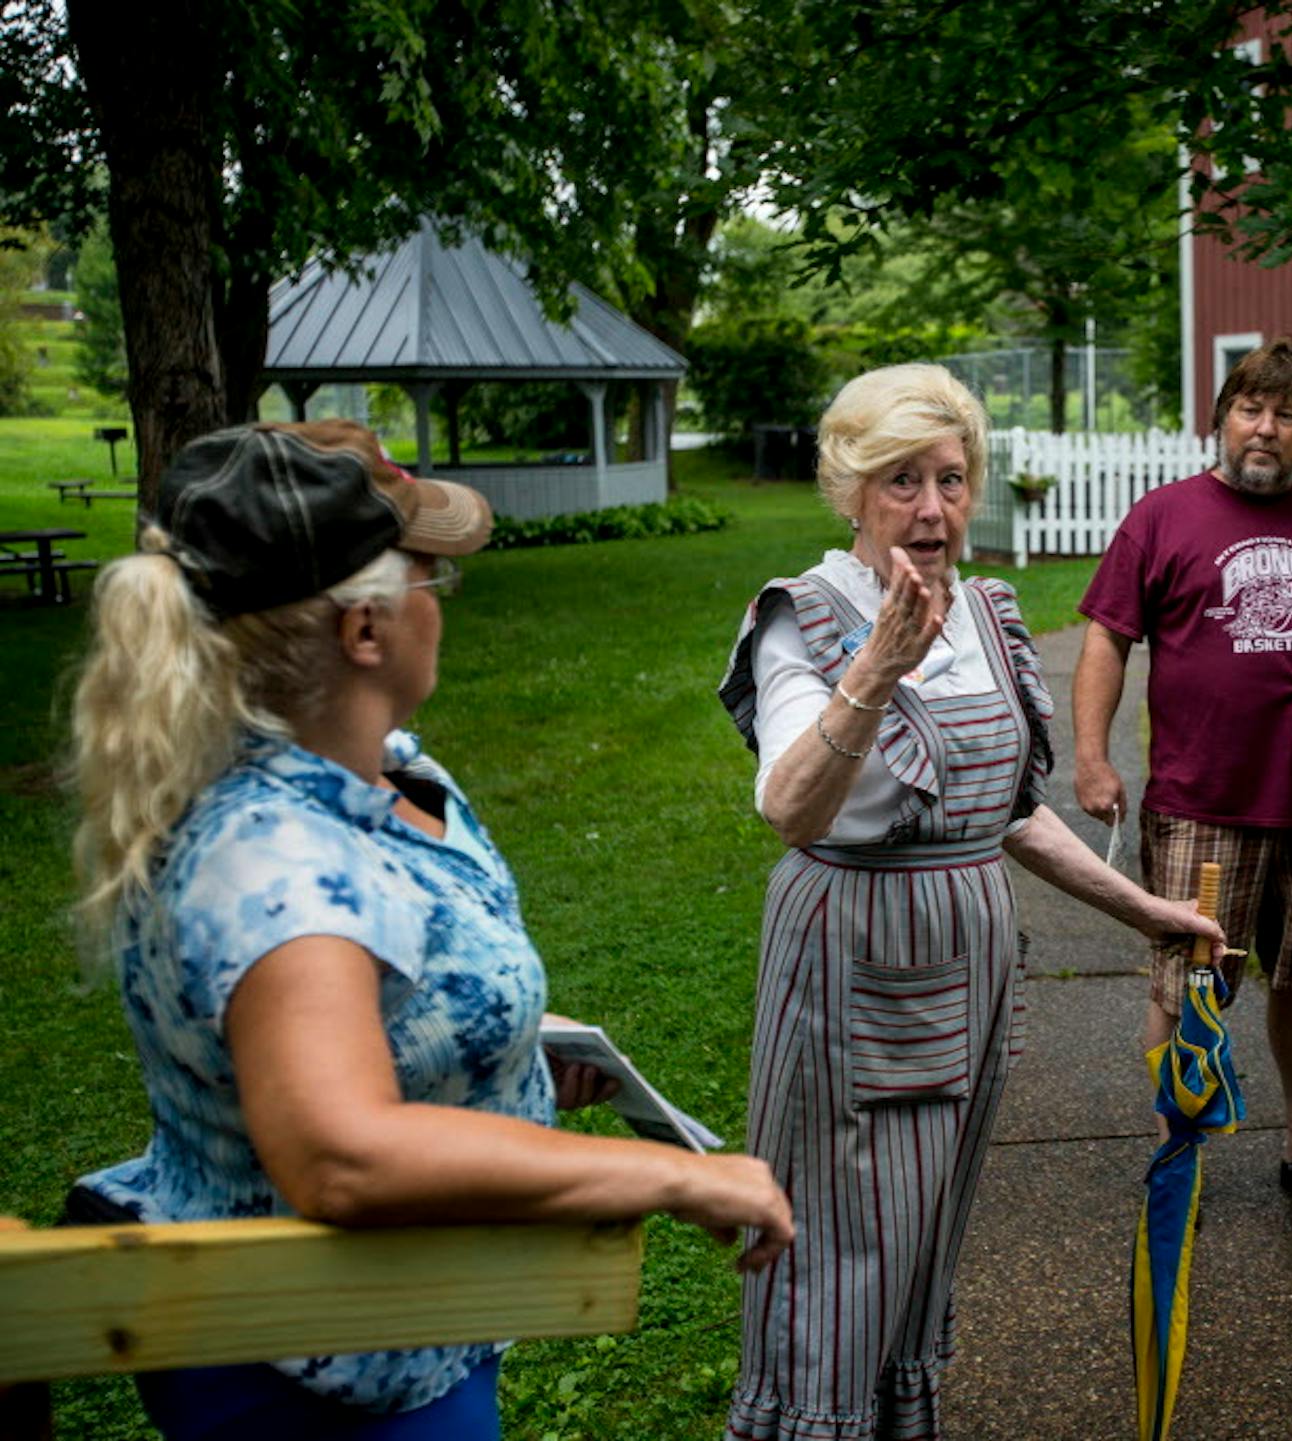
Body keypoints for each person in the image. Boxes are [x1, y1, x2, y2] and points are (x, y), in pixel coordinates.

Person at [65, 420, 793, 1440]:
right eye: (426, 579)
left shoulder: (391, 772)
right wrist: (676, 1175)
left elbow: (374, 997)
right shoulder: (273, 859)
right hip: (316, 1370)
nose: (439, 603)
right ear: (365, 629)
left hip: (417, 1330)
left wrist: (501, 1050)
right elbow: (341, 1154)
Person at [718, 363, 1225, 1441]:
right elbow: (790, 808)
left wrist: (1145, 909)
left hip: (965, 972)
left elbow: (1004, 810)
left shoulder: (986, 614)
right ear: (850, 490)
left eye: (951, 479)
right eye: (902, 480)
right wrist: (876, 673)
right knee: (841, 1240)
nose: (934, 507)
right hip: (854, 968)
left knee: (921, 1233)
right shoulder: (801, 619)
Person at [1074, 335, 1292, 1214]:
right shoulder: (1163, 516)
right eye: (1250, 409)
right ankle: (1177, 1149)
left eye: (1287, 415)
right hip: (1201, 798)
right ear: (1221, 419)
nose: (1266, 428)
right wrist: (1093, 756)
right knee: (1187, 985)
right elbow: (1108, 636)